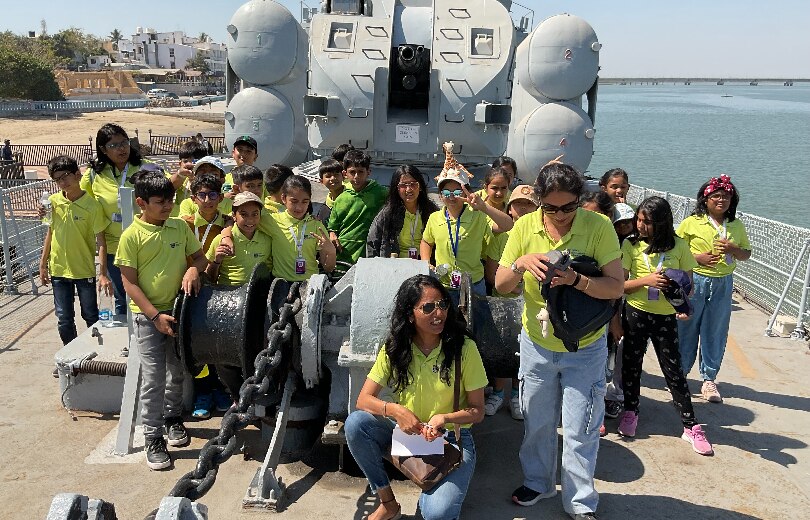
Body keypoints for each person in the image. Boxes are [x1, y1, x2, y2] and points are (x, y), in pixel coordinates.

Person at [495, 161, 624, 518]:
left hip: (585, 347)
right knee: (537, 424)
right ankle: (538, 483)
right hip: (537, 345)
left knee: (581, 427)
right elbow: (501, 285)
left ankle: (580, 500)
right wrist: (521, 262)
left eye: (569, 207)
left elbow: (615, 286)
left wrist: (576, 281)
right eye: (550, 208)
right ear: (538, 202)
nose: (560, 215)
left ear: (580, 200)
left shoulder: (598, 227)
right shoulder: (524, 226)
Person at [345, 274, 487, 520]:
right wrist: (396, 411)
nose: (439, 313)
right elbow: (364, 399)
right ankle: (388, 503)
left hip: (451, 440)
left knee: (437, 514)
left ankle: (438, 488)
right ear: (410, 315)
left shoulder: (464, 349)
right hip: (407, 435)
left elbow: (478, 410)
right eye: (428, 307)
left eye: (442, 304)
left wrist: (445, 417)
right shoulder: (396, 348)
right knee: (356, 424)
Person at [115, 169, 207, 470]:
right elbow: (129, 283)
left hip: (178, 312)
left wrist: (195, 268)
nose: (167, 207)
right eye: (160, 202)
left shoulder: (179, 228)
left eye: (170, 200)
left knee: (177, 370)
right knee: (153, 379)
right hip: (148, 318)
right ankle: (153, 437)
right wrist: (155, 317)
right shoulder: (131, 236)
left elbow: (200, 258)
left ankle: (172, 418)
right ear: (141, 202)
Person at [618, 196, 713, 456]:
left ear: (662, 223)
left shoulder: (680, 247)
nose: (640, 226)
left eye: (647, 222)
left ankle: (690, 425)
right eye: (638, 219)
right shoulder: (630, 245)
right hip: (636, 313)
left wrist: (682, 304)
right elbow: (619, 286)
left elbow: (689, 286)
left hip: (664, 318)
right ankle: (630, 410)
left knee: (673, 370)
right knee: (631, 365)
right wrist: (646, 280)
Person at [80, 123, 182, 318]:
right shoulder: (94, 174)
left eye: (124, 142)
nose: (122, 148)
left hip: (147, 243)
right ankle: (129, 342)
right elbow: (82, 200)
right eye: (114, 145)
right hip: (114, 247)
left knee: (149, 293)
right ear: (102, 149)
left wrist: (181, 175)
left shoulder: (146, 167)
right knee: (122, 296)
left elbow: (168, 187)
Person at [677, 175, 751, 403]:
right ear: (705, 199)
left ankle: (709, 380)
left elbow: (746, 254)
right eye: (716, 196)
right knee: (686, 327)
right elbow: (675, 250)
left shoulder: (736, 225)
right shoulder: (691, 223)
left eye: (726, 196)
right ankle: (679, 376)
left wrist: (733, 248)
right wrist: (697, 257)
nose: (721, 200)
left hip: (723, 282)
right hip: (695, 280)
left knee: (715, 331)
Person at [205, 192, 274, 401]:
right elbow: (209, 277)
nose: (250, 220)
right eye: (244, 214)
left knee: (258, 353)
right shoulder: (222, 238)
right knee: (224, 360)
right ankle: (237, 397)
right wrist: (216, 261)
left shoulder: (267, 240)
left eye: (255, 214)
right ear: (234, 215)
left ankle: (258, 397)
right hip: (228, 307)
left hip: (257, 306)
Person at [421, 144, 511, 303]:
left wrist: (484, 207)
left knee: (475, 325)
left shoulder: (478, 216)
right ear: (440, 196)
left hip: (474, 284)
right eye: (446, 193)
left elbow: (507, 225)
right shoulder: (435, 218)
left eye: (457, 192)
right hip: (444, 284)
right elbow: (426, 241)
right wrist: (427, 262)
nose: (451, 197)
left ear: (465, 192)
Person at [38, 155, 111, 345]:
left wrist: (103, 273)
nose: (63, 182)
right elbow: (50, 232)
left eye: (66, 176)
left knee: (91, 315)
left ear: (78, 175)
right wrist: (43, 264)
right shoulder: (53, 202)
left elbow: (101, 241)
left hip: (83, 269)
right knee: (64, 318)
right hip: (59, 270)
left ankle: (96, 354)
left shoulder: (92, 206)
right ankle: (69, 356)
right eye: (57, 179)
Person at [483, 185, 539, 420]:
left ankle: (517, 394)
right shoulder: (501, 237)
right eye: (518, 205)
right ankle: (497, 393)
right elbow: (491, 273)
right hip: (501, 303)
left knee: (522, 352)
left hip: (530, 304)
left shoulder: (540, 235)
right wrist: (514, 285)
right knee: (499, 349)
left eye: (529, 205)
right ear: (510, 209)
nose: (523, 209)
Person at [181, 173, 233, 419]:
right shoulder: (185, 224)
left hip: (216, 290)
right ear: (194, 198)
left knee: (216, 344)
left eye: (213, 195)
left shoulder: (228, 223)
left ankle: (220, 390)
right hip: (188, 291)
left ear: (220, 197)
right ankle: (203, 392)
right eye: (201, 195)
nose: (207, 200)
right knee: (195, 345)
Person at [267, 175, 336, 280]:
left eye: (305, 201)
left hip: (310, 283)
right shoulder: (272, 221)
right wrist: (231, 223)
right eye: (294, 201)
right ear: (283, 198)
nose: (299, 207)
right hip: (281, 284)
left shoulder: (316, 225)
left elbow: (328, 268)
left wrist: (331, 251)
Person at [327, 149, 388, 265]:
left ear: (368, 172)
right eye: (352, 172)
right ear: (345, 174)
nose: (356, 176)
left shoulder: (380, 193)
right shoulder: (341, 198)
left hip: (370, 250)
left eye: (361, 172)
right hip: (345, 252)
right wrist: (332, 234)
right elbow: (333, 226)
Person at [366, 164, 438, 259]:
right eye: (403, 185)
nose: (408, 189)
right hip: (394, 266)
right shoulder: (387, 213)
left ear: (420, 187)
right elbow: (372, 243)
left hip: (425, 266)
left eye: (413, 184)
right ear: (397, 189)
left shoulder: (432, 212)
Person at [172, 140, 209, 216]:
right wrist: (180, 174)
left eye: (195, 161)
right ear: (180, 164)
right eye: (185, 161)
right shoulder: (179, 180)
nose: (190, 165)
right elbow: (167, 187)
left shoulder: (209, 181)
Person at [313, 158, 345, 223]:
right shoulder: (325, 207)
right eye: (328, 176)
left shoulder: (352, 196)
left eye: (336, 174)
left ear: (343, 176)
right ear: (321, 181)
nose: (333, 178)